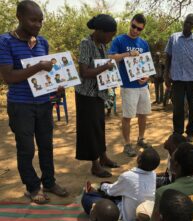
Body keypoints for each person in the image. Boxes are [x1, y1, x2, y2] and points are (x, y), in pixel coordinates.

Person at [0, 0, 67, 204]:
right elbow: (9, 77)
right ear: (19, 17)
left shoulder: (42, 42)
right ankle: (32, 187)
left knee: (46, 145)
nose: (38, 24)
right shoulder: (4, 42)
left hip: (43, 103)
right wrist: (39, 66)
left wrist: (56, 84)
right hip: (21, 105)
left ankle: (49, 181)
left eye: (41, 21)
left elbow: (45, 75)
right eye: (33, 20)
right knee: (26, 148)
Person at [75, 14, 118, 178]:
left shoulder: (101, 45)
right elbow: (84, 72)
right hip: (86, 94)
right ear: (100, 31)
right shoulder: (86, 43)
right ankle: (95, 165)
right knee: (90, 130)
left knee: (99, 126)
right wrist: (106, 67)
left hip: (98, 93)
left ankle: (103, 156)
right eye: (110, 35)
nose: (110, 38)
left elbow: (102, 67)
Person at [108, 14, 152, 157]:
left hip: (142, 86)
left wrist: (147, 77)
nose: (135, 30)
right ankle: (127, 144)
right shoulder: (119, 40)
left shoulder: (144, 44)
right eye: (133, 26)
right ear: (130, 23)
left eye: (139, 29)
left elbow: (148, 65)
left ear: (142, 29)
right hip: (128, 86)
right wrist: (127, 54)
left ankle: (141, 138)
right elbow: (110, 57)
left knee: (143, 114)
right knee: (127, 116)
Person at [164, 13, 193, 142]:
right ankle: (177, 132)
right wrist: (166, 74)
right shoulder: (174, 38)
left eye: (190, 23)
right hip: (177, 79)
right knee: (178, 107)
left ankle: (190, 132)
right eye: (186, 22)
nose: (187, 25)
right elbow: (168, 57)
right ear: (184, 22)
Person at [147, 143, 193, 221]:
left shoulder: (163, 192)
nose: (170, 159)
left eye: (172, 158)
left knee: (142, 209)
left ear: (176, 164)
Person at [100, 147, 160, 221]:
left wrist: (102, 185)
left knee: (90, 198)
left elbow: (110, 192)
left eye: (140, 155)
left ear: (139, 160)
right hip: (144, 217)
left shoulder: (127, 177)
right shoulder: (153, 175)